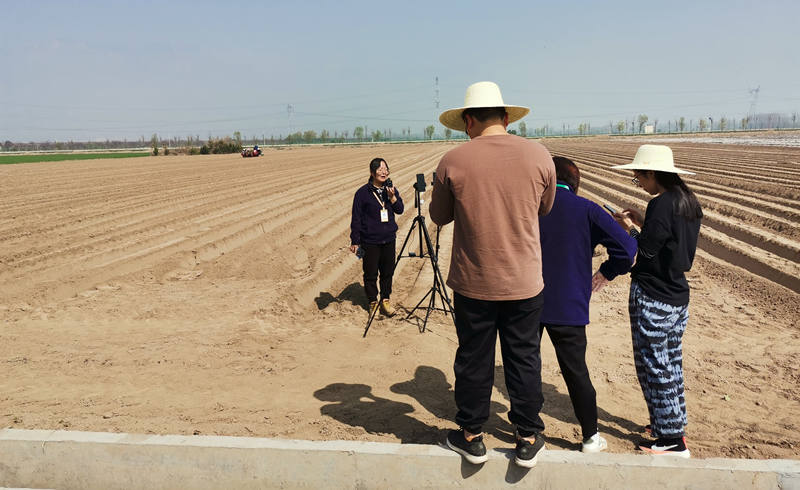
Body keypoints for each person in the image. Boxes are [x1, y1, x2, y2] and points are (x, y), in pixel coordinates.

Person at [429, 81, 556, 467]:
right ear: (504, 117)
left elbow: (439, 216)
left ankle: (470, 435)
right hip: (524, 281)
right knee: (524, 357)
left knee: (473, 358)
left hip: (474, 282)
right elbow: (545, 209)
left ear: (468, 121)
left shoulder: (453, 161)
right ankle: (528, 436)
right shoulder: (539, 156)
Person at [538, 156, 637, 453]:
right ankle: (590, 436)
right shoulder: (588, 209)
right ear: (576, 182)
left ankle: (527, 434)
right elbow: (628, 249)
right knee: (575, 370)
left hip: (525, 301)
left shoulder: (528, 205)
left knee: (525, 365)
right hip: (569, 304)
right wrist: (607, 272)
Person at [610, 144, 703, 458]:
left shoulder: (661, 204)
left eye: (639, 177)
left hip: (654, 295)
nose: (639, 182)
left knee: (654, 365)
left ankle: (672, 440)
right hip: (678, 295)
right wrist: (642, 225)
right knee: (671, 364)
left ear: (652, 173)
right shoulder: (688, 201)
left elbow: (646, 253)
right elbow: (669, 247)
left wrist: (628, 229)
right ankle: (669, 424)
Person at [350, 157, 404, 317]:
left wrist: (393, 196)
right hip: (370, 241)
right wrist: (355, 240)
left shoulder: (391, 190)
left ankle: (385, 300)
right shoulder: (362, 193)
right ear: (372, 173)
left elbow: (400, 209)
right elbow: (356, 218)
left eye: (386, 169)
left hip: (389, 239)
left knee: (388, 272)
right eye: (380, 169)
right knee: (370, 273)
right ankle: (373, 301)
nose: (384, 172)